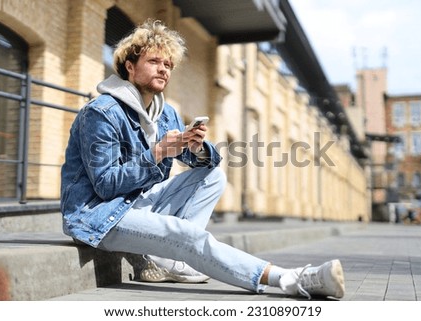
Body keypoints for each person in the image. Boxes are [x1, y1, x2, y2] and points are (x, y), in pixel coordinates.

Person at [60, 19, 345, 299]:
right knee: (185, 234)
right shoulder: (101, 112)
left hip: (137, 205)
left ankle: (170, 260)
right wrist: (158, 152)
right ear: (130, 67)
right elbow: (105, 185)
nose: (164, 69)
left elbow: (204, 164)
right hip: (99, 215)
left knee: (214, 176)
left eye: (168, 65)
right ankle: (290, 279)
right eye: (155, 62)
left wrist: (197, 147)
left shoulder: (165, 113)